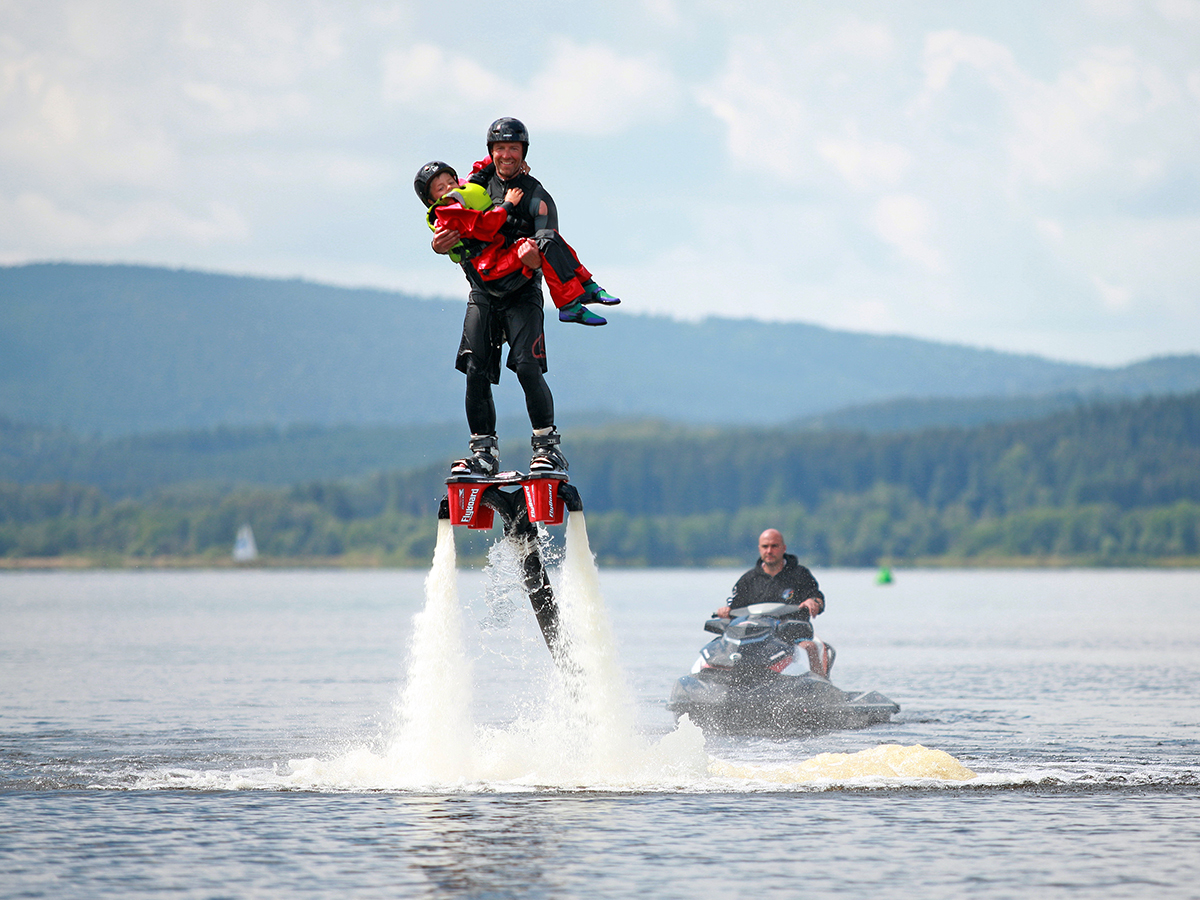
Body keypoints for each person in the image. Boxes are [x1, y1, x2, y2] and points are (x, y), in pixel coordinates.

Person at [426, 117, 598, 479]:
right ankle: (483, 452)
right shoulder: (473, 186)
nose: (506, 155)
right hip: (483, 293)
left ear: (523, 153)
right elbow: (446, 221)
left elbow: (548, 243)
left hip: (522, 291)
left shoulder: (536, 195)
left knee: (526, 366)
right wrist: (438, 244)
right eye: (500, 148)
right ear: (491, 152)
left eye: (513, 149)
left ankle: (547, 448)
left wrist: (535, 258)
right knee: (475, 370)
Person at [415, 159, 619, 327]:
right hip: (491, 270)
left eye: (450, 181)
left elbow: (479, 169)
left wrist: (509, 161)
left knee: (549, 237)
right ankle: (569, 305)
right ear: (431, 200)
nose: (449, 188)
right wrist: (508, 203)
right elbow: (486, 226)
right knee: (544, 244)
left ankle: (587, 286)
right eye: (441, 188)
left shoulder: (463, 191)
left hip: (500, 255)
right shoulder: (448, 212)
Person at [715, 529, 825, 623]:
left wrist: (813, 602)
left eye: (774, 546)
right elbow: (734, 608)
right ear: (759, 549)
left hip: (794, 635)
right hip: (756, 636)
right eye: (765, 546)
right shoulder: (748, 579)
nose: (769, 551)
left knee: (804, 642)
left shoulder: (800, 574)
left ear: (784, 548)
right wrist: (725, 611)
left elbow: (818, 599)